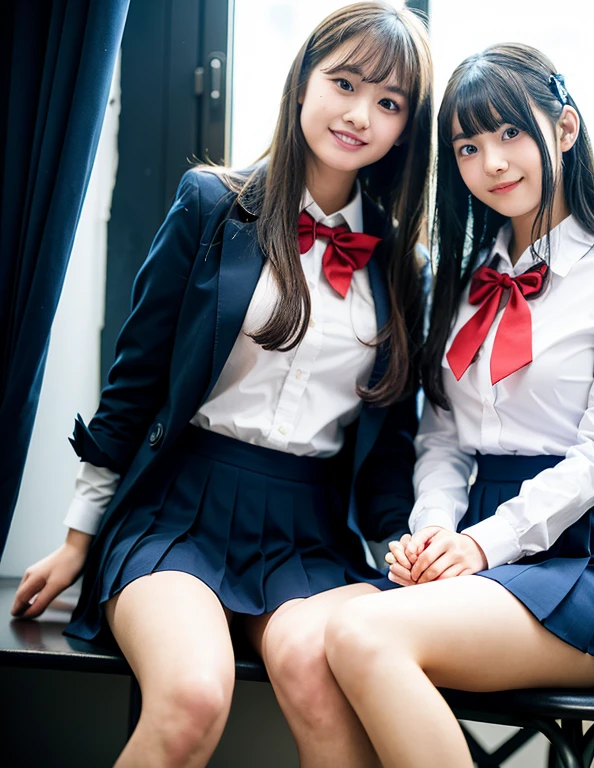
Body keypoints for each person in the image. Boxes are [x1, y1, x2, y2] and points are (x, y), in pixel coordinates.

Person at [11, 3, 432, 766]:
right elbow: (134, 379)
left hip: (310, 532)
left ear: (407, 127)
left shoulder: (405, 267)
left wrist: (408, 547)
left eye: (390, 102)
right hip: (180, 510)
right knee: (193, 695)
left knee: (318, 675)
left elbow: (390, 450)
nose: (360, 114)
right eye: (344, 82)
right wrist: (79, 537)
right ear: (304, 78)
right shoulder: (211, 204)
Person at [323, 43, 594, 768]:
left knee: (364, 634)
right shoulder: (458, 286)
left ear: (563, 129)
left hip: (587, 558)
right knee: (326, 637)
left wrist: (481, 543)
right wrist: (434, 534)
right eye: (467, 146)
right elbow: (442, 440)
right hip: (476, 543)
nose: (492, 163)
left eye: (510, 133)